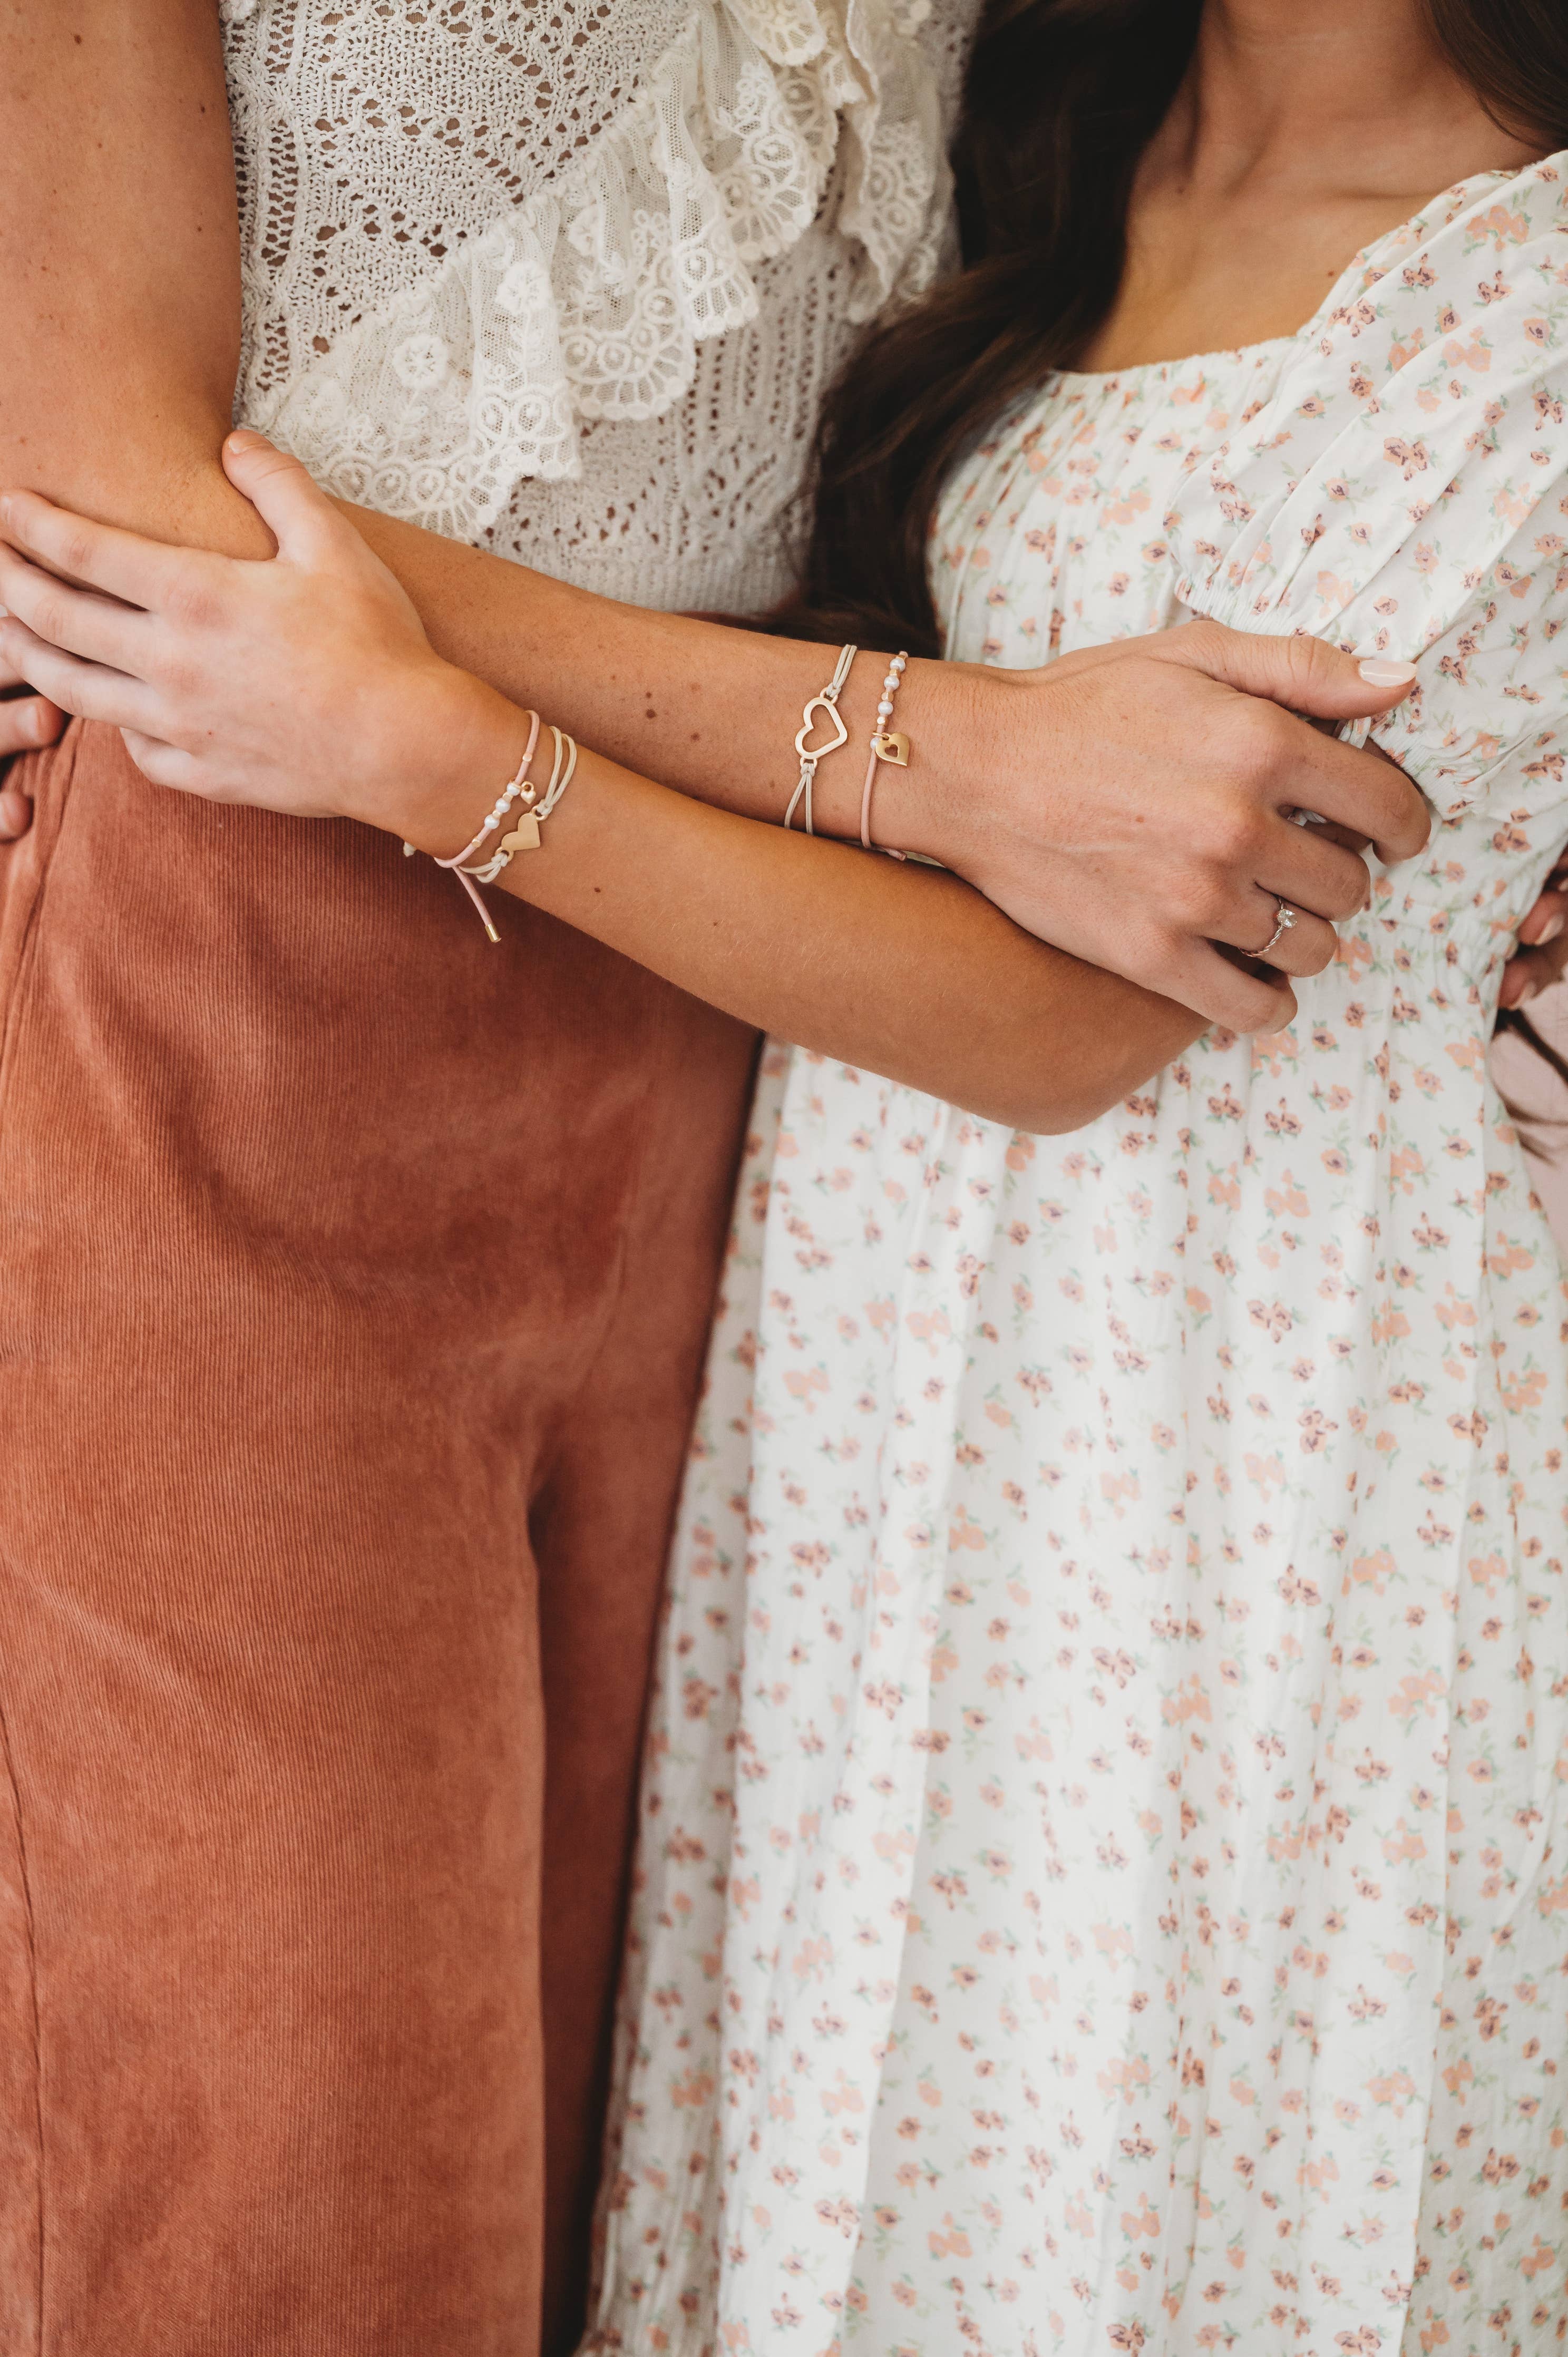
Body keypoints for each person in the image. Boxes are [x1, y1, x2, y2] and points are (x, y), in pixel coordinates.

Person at [11, 0, 1562, 2352]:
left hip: (947, 1256)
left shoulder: (1373, 239)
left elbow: (1137, 961)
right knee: (321, 2192)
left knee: (671, 2177)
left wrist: (459, 737)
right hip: (425, 1072)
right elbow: (114, 511)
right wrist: (903, 757)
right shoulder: (1086, 154)